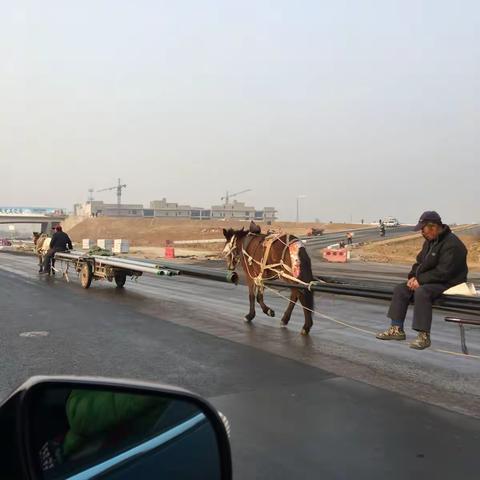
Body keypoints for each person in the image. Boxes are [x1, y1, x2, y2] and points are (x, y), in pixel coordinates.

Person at [376, 211, 468, 350]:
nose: (422, 233)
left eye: (422, 229)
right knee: (401, 289)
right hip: (431, 280)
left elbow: (444, 272)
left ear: (433, 227)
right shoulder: (430, 242)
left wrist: (421, 281)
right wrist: (412, 277)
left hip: (450, 282)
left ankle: (423, 336)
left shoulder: (452, 244)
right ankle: (396, 329)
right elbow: (419, 263)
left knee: (422, 292)